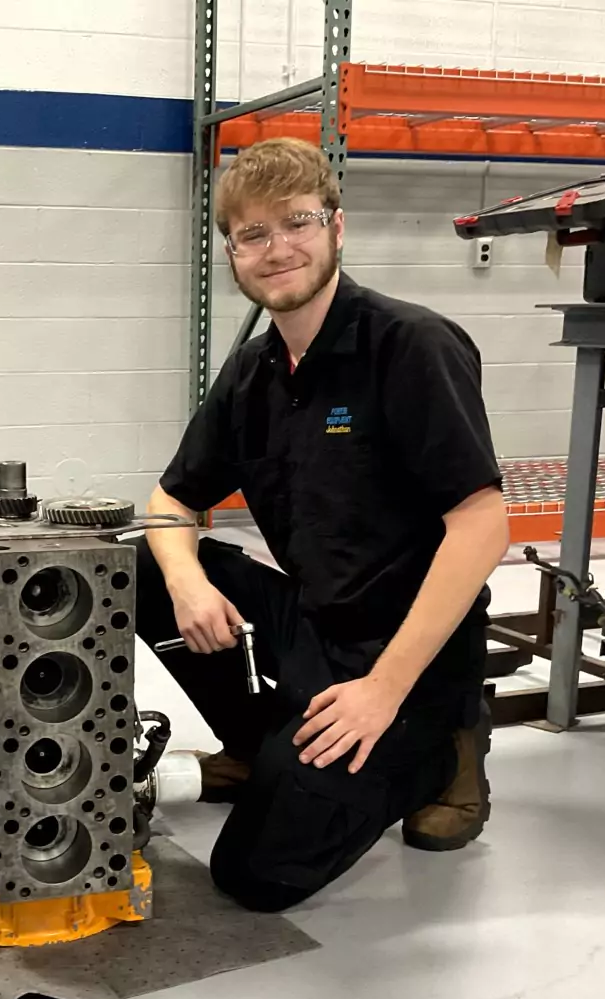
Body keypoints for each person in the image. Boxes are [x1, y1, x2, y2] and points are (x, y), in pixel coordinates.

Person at [139, 139, 510, 912]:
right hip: (312, 622)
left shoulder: (410, 346)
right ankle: (262, 748)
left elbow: (483, 527)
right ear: (232, 253)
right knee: (139, 568)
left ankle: (443, 756)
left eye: (297, 223)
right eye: (252, 234)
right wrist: (186, 582)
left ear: (337, 228)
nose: (277, 249)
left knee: (253, 875)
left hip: (406, 657)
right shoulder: (254, 373)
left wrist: (383, 689)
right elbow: (170, 502)